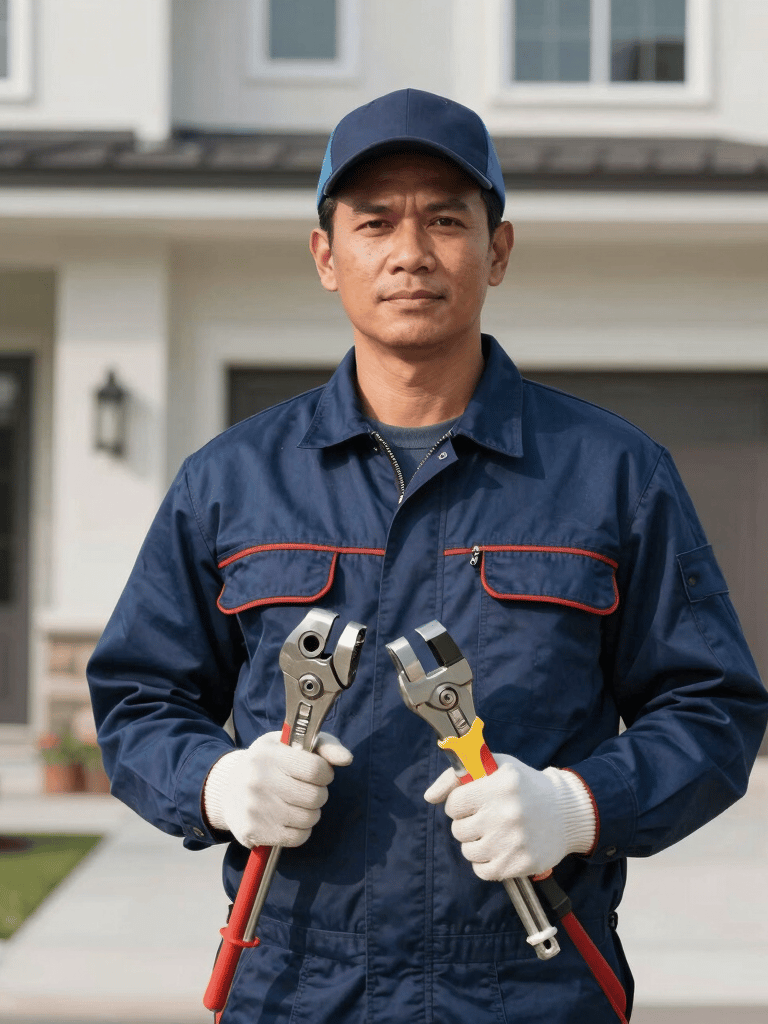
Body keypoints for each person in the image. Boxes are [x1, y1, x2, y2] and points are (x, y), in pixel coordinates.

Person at [87, 89, 768, 1024]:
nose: (410, 252)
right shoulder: (231, 481)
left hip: (534, 983)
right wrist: (213, 782)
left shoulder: (615, 474)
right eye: (375, 223)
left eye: (447, 219)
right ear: (328, 255)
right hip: (297, 987)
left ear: (497, 250)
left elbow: (713, 710)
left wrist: (580, 804)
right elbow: (137, 698)